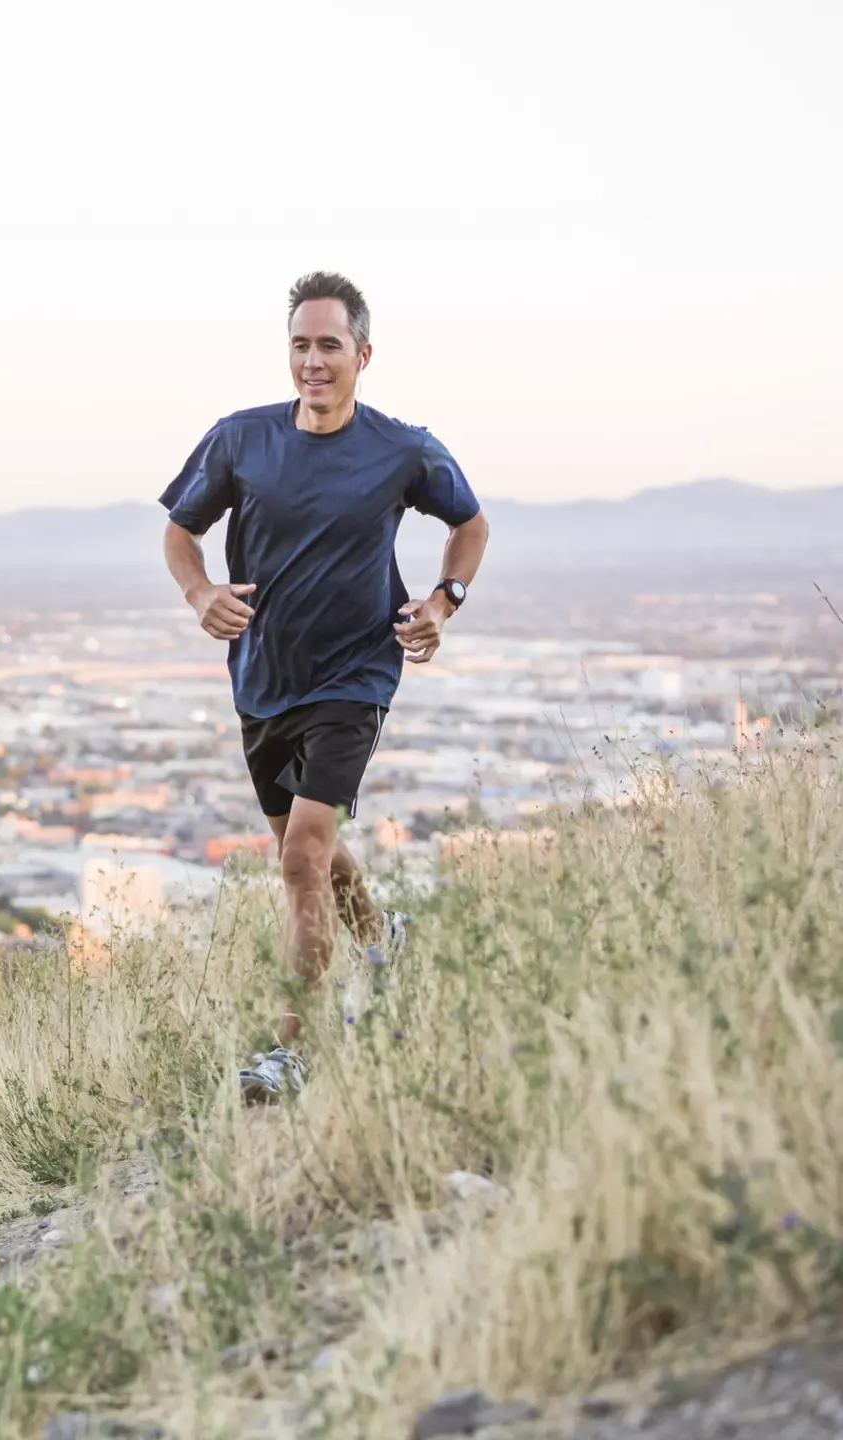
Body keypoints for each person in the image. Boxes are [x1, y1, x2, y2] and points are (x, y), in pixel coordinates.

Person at [160, 271, 491, 1100]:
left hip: (357, 671)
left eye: (329, 346)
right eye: (300, 345)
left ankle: (292, 1051)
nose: (313, 361)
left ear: (362, 354)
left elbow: (469, 523)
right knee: (300, 850)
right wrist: (201, 594)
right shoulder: (239, 440)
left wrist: (443, 602)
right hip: (263, 678)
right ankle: (384, 941)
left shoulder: (402, 449)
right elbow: (179, 531)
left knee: (301, 857)